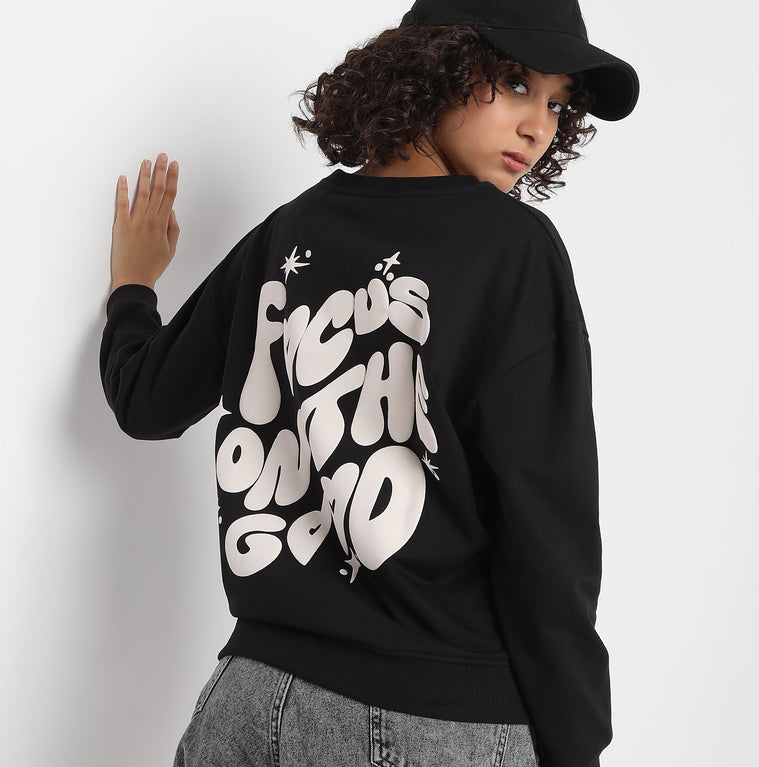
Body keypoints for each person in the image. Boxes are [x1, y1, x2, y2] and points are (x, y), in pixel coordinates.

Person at [100, 1, 638, 765]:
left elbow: (146, 400)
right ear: (433, 64)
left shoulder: (288, 232)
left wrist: (132, 289)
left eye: (557, 102)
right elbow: (547, 528)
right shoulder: (512, 249)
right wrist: (576, 742)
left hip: (247, 702)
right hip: (432, 714)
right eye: (516, 83)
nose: (537, 127)